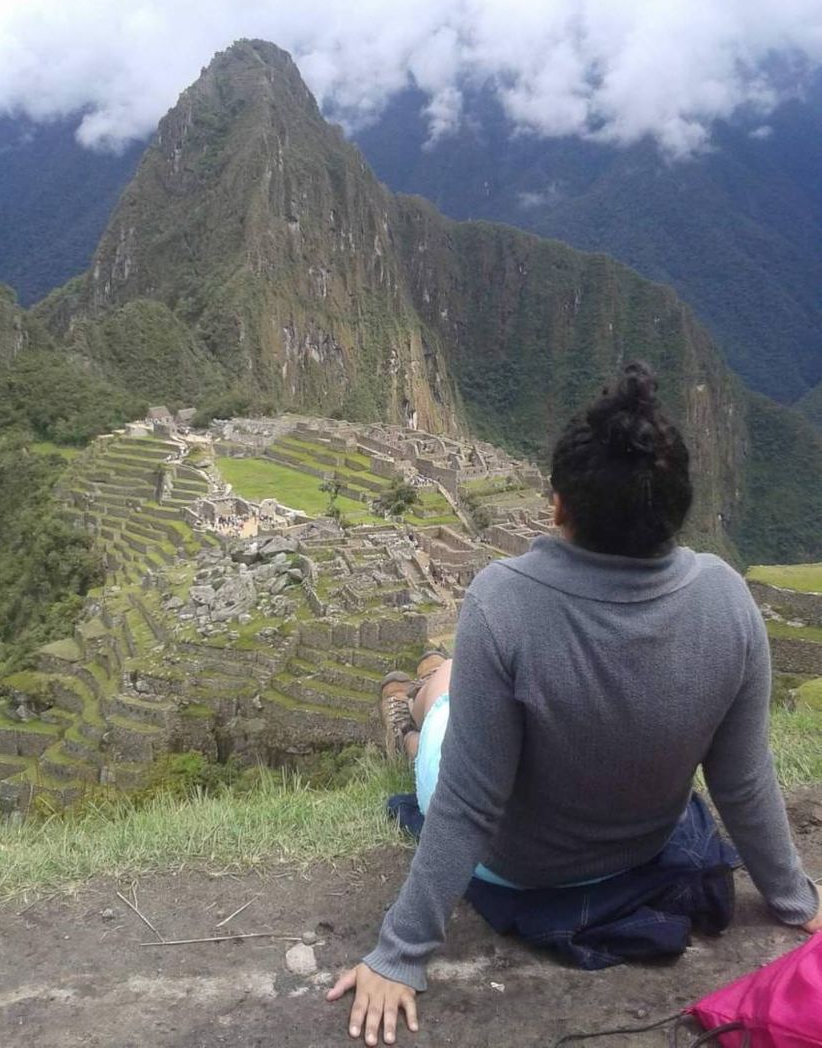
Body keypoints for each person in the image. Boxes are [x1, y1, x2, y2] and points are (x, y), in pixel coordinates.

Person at [327, 363, 822, 1046]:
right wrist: (797, 899)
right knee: (462, 679)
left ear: (559, 505)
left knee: (447, 690)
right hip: (642, 846)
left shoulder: (504, 601)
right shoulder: (727, 601)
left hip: (520, 865)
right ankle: (422, 695)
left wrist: (400, 954)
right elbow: (741, 780)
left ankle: (411, 717)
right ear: (678, 509)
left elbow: (471, 805)